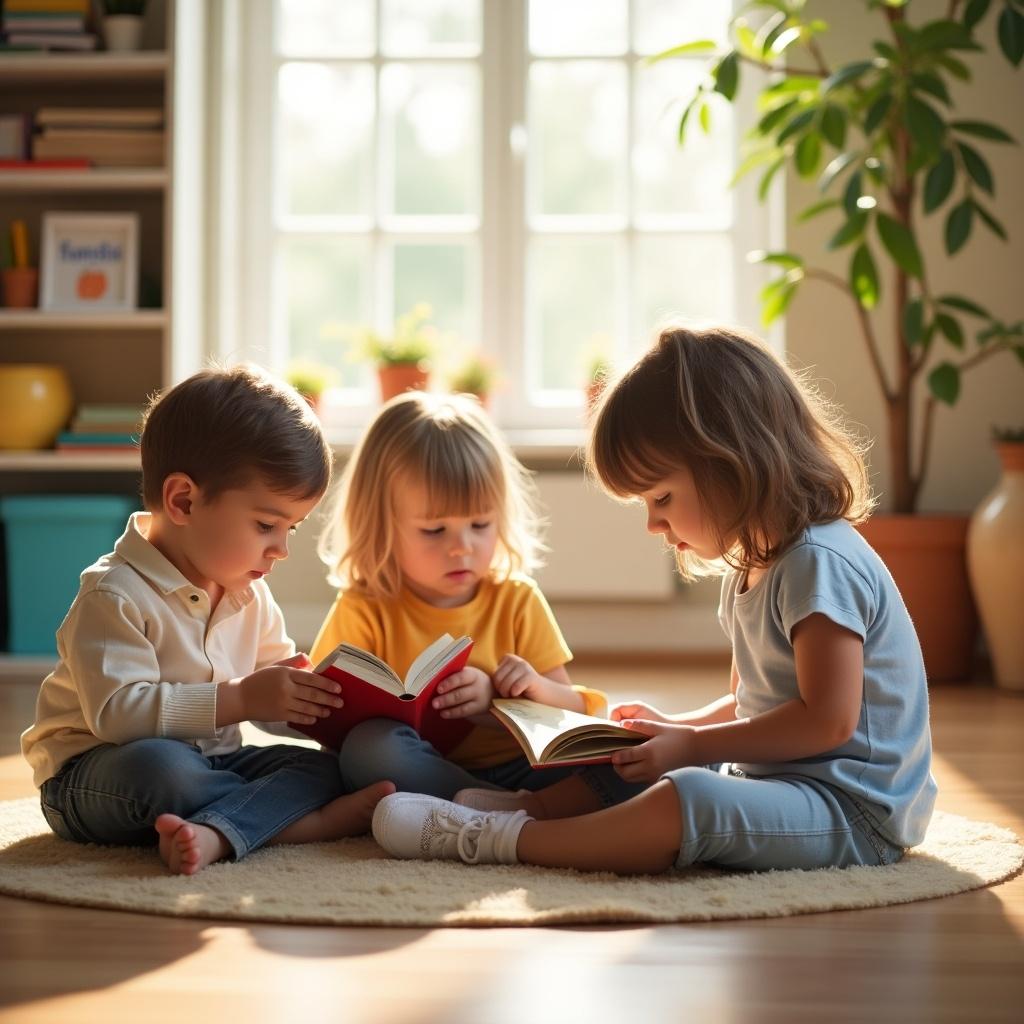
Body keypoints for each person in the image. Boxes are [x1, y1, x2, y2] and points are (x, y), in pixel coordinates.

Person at [369, 324, 938, 874]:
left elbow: (828, 722)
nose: (653, 524)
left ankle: (511, 839)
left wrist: (691, 745)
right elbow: (751, 707)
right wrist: (671, 728)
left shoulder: (818, 562)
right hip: (780, 778)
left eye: (661, 496)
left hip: (854, 809)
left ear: (730, 462)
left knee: (688, 794)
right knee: (635, 753)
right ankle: (532, 806)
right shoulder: (755, 565)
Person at [21, 366, 394, 877]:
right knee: (164, 769)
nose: (281, 549)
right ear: (183, 501)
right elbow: (119, 715)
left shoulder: (248, 592)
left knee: (325, 768)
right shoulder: (114, 594)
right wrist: (241, 697)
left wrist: (318, 704)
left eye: (292, 528)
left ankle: (220, 827)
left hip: (212, 766)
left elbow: (269, 699)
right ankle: (290, 824)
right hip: (100, 773)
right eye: (266, 525)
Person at [312, 390, 640, 811]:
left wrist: (513, 694)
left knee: (634, 762)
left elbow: (572, 711)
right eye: (435, 530)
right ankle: (505, 810)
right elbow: (332, 719)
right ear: (380, 525)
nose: (461, 548)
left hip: (521, 766)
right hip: (419, 765)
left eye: (481, 524)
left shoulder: (516, 599)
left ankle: (481, 809)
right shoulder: (363, 607)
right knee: (368, 751)